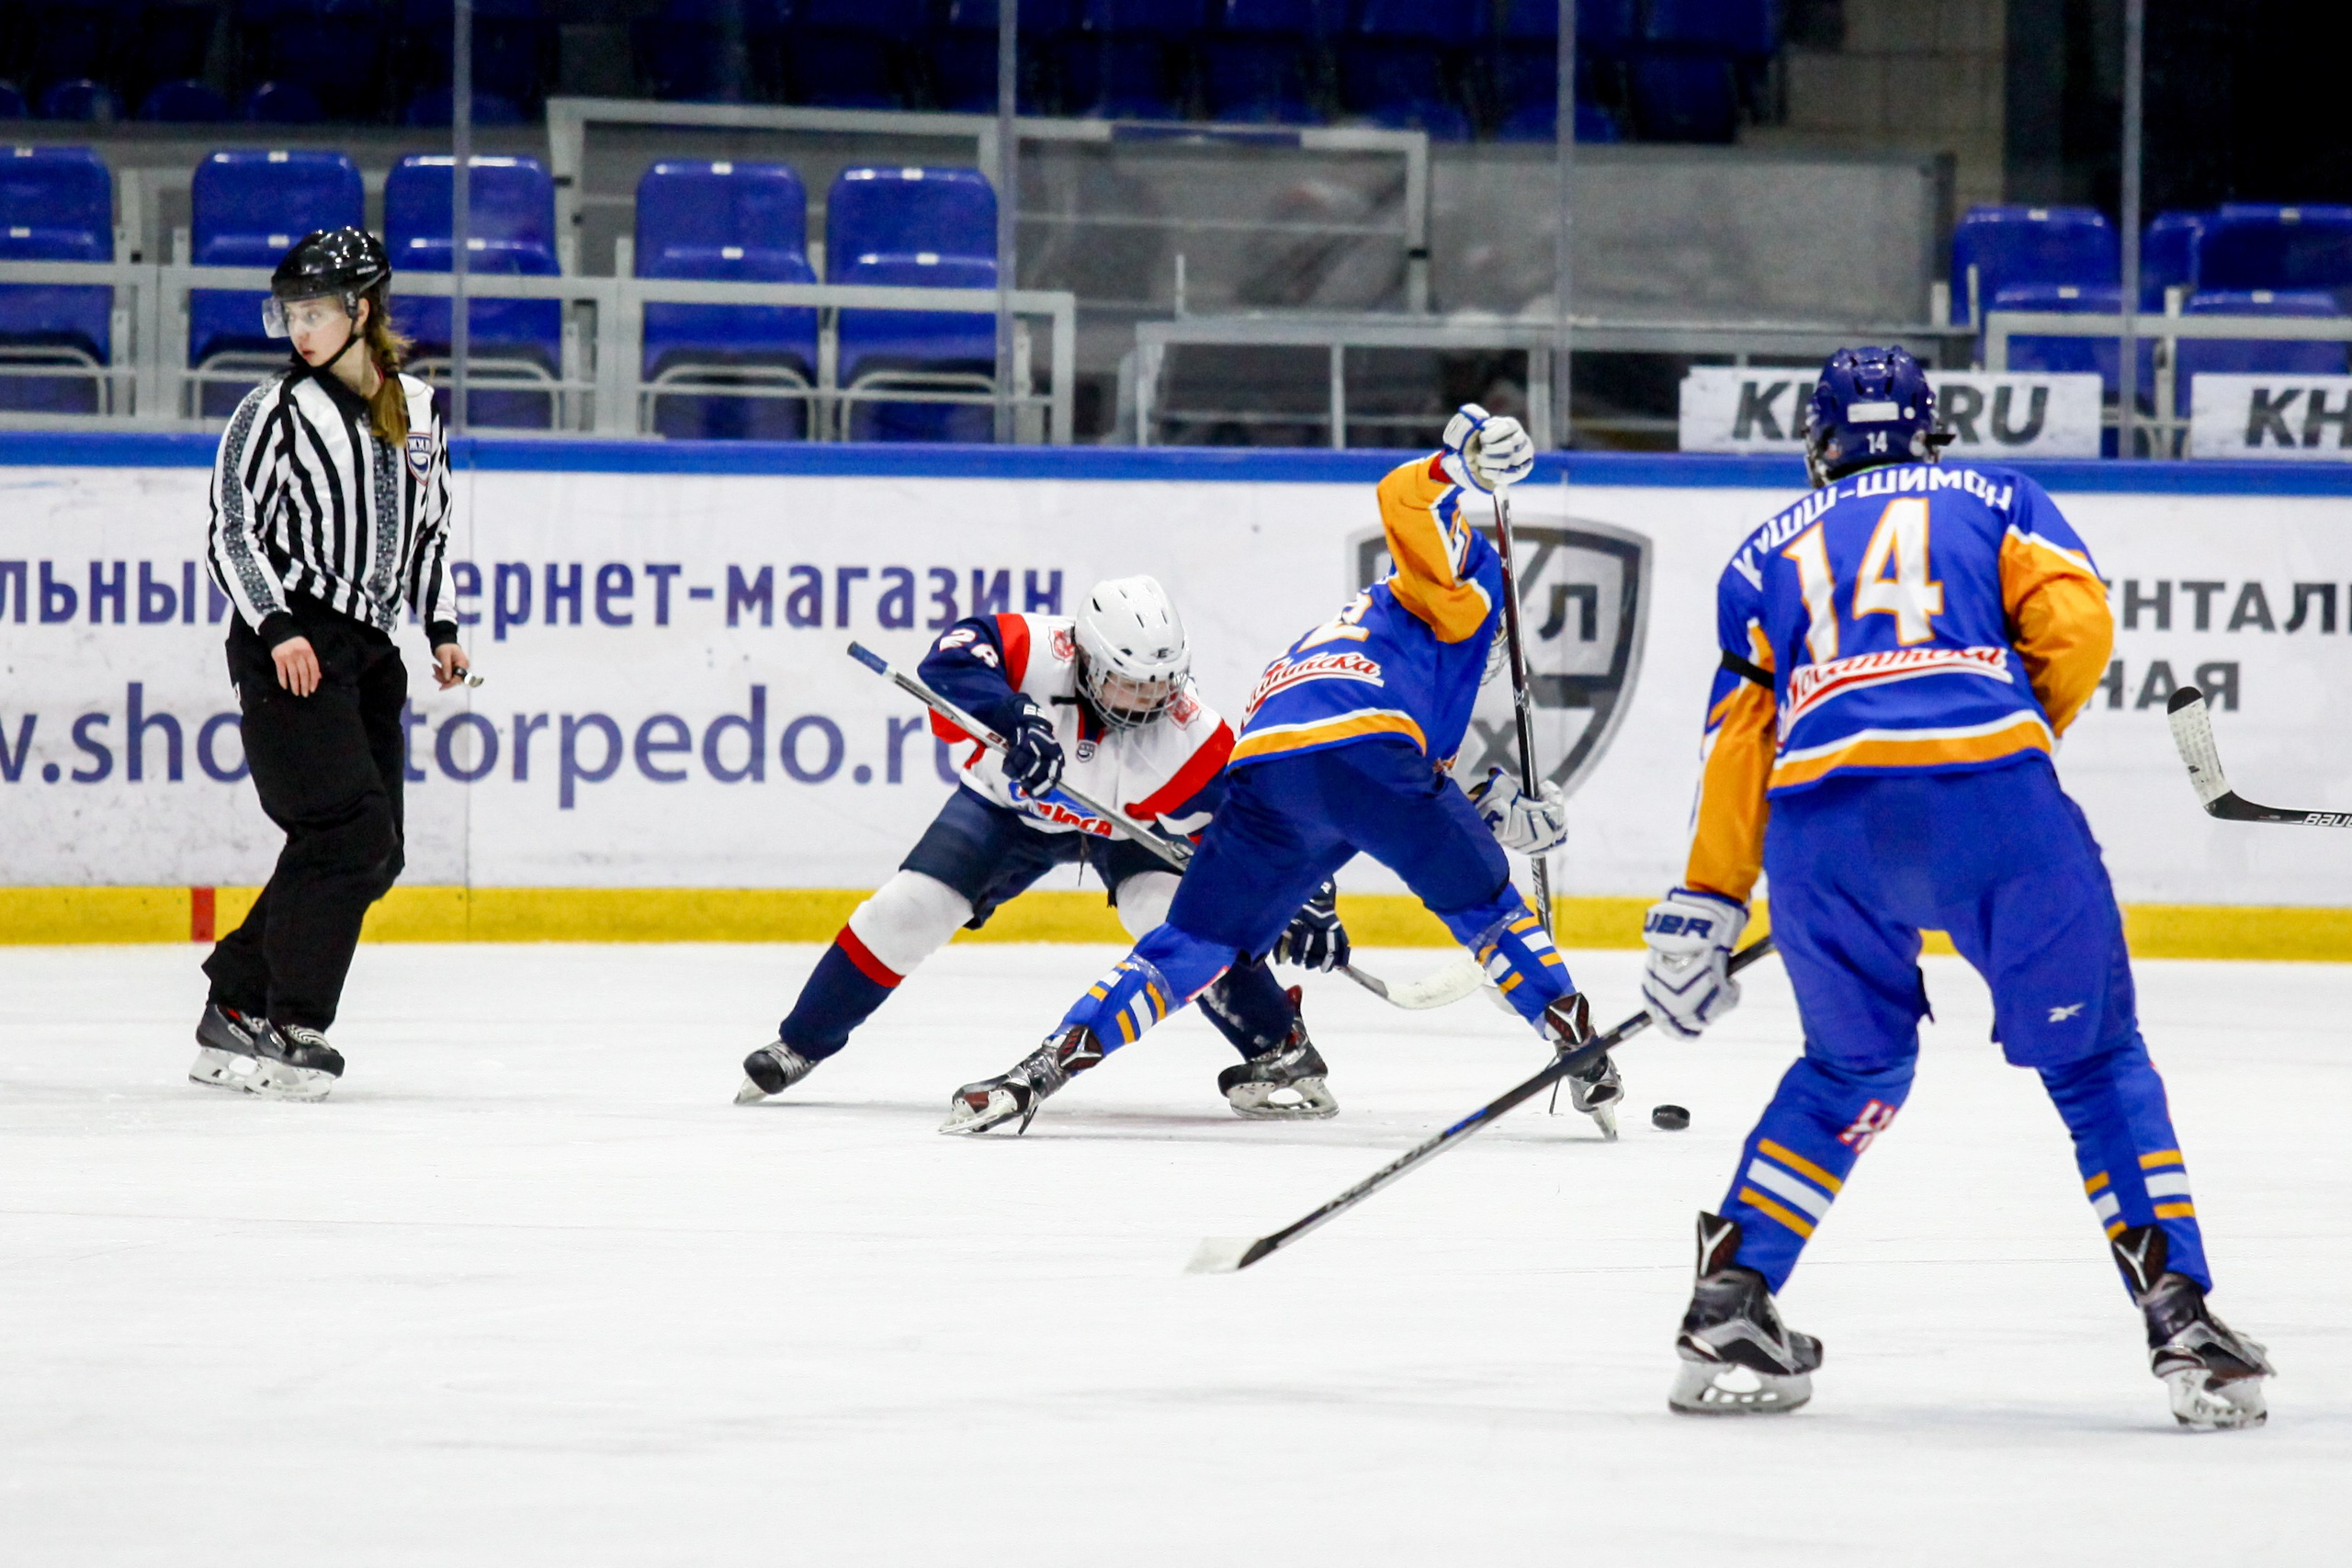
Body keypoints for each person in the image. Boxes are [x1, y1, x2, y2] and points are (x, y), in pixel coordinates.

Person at [1642, 345, 2270, 1428]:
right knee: (2093, 1061)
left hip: (1819, 829)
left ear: (1820, 443)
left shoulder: (1759, 551)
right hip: (1993, 804)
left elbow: (1738, 737)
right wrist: (2022, 733)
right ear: (1930, 429)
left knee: (1850, 1066)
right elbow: (2076, 630)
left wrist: (1708, 901)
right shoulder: (1999, 495)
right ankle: (2177, 1310)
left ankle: (1732, 1292)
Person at [941, 406, 1606, 1137]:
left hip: (1269, 771)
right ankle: (1581, 1041)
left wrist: (1490, 804)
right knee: (1488, 907)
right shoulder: (1461, 586)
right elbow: (1403, 500)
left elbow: (1382, 770)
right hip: (1365, 753)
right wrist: (1461, 464)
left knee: (1190, 945)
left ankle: (1039, 1069)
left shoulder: (1351, 636)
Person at [739, 576, 1352, 1119]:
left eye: (1160, 687)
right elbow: (947, 663)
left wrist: (1309, 893)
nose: (1147, 704)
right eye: (1128, 685)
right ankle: (800, 1042)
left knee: (1178, 923)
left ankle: (1280, 1047)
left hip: (1130, 832)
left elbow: (1266, 820)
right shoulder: (1034, 647)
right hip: (1008, 809)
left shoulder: (1190, 734)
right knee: (909, 908)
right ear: (1085, 657)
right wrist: (1014, 718)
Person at [188, 227, 469, 1101]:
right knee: (344, 827)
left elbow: (429, 530)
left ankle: (234, 1000)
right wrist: (275, 627)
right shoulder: (269, 409)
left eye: (314, 311)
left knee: (373, 851)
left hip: (370, 646)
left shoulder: (418, 410)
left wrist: (443, 625)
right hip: (290, 639)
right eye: (290, 314)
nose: (299, 330)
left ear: (363, 310)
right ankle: (292, 1021)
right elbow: (229, 528)